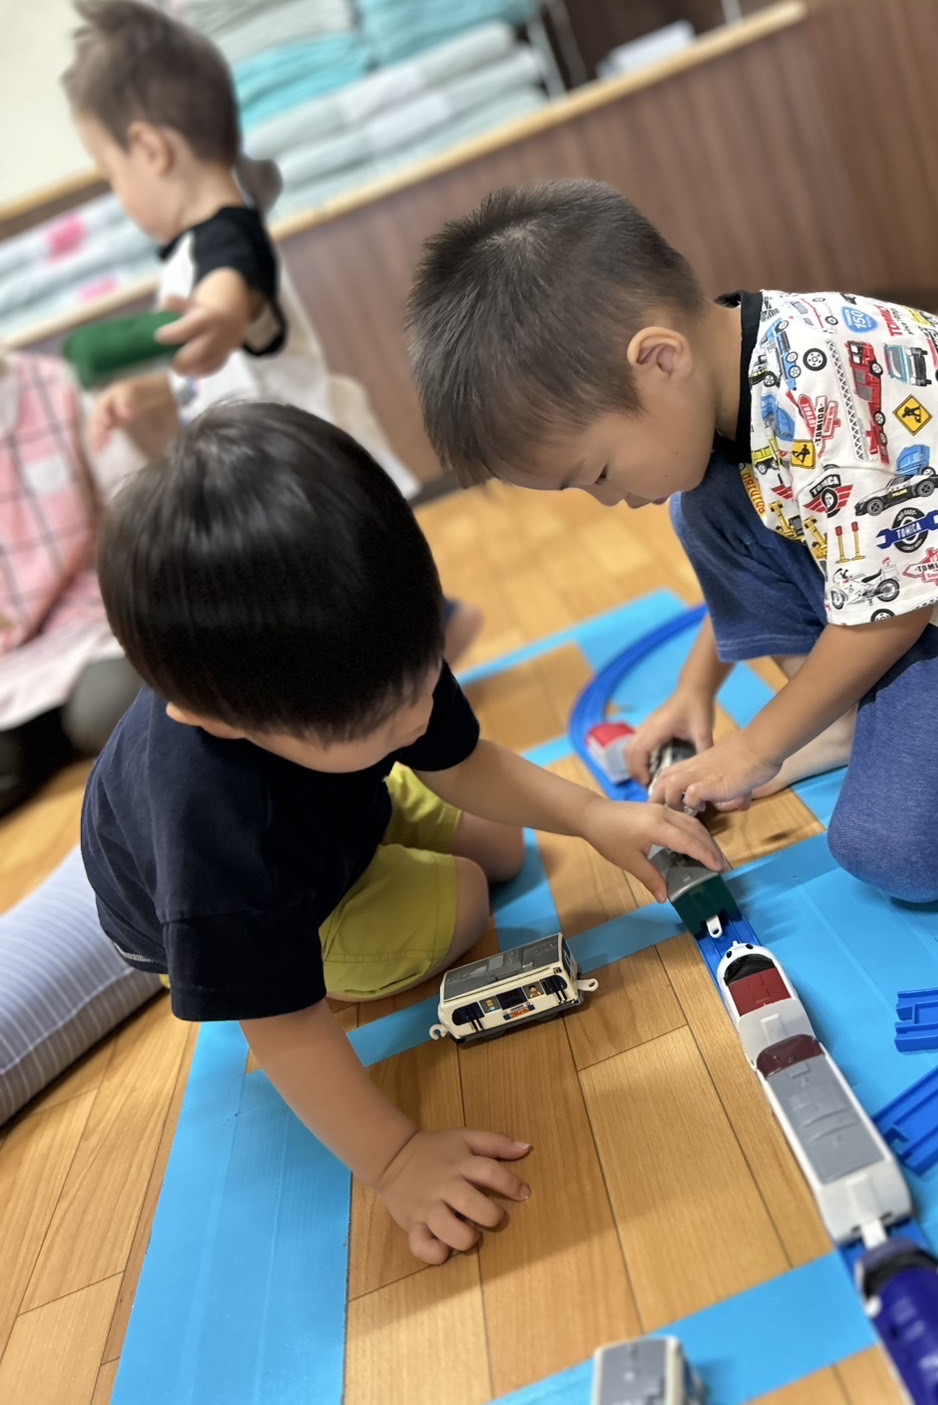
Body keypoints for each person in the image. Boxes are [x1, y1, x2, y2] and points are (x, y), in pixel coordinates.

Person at [81, 402, 725, 1263]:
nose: (422, 712)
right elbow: (283, 1026)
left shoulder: (374, 639)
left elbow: (457, 759)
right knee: (463, 897)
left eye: (424, 682)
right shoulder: (217, 842)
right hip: (277, 912)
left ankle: (373, 803)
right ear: (226, 723)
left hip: (345, 805)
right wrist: (394, 1159)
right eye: (388, 718)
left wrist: (593, 815)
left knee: (503, 844)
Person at [406, 178, 938, 903]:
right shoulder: (734, 366)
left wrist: (755, 747)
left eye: (601, 473)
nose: (610, 500)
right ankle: (849, 720)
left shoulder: (833, 393)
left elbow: (893, 614)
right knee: (707, 501)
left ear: (660, 359)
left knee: (899, 854)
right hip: (923, 577)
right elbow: (822, 546)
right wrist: (695, 687)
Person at [62, 0, 482, 666]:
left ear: (150, 149)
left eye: (112, 175)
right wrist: (153, 391)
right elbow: (214, 364)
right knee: (345, 608)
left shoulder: (228, 236)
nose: (118, 192)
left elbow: (233, 294)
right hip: (272, 475)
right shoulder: (188, 253)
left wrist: (222, 312)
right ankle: (431, 634)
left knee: (351, 607)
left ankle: (430, 643)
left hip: (301, 473)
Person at [0, 348, 142, 816]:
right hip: (9, 657)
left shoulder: (59, 387)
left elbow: (132, 507)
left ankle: (59, 734)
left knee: (114, 709)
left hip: (87, 618)